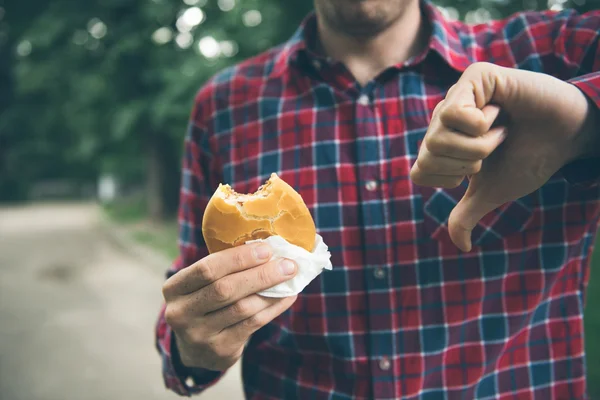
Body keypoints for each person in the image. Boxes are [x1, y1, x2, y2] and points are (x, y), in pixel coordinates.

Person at [155, 0, 600, 398]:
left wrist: (582, 119)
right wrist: (193, 345)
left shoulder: (551, 53)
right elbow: (188, 300)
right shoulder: (224, 106)